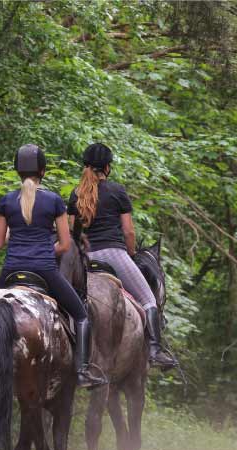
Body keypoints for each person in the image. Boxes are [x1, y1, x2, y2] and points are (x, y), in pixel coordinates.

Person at [0, 144, 105, 387]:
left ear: (17, 172)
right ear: (43, 171)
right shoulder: (54, 201)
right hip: (45, 270)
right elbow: (65, 245)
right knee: (82, 316)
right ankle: (83, 371)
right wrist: (44, 250)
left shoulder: (6, 202)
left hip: (11, 269)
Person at [67, 143, 176, 368]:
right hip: (113, 253)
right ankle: (155, 352)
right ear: (107, 167)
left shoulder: (76, 194)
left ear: (86, 166)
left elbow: (71, 233)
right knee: (148, 299)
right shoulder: (117, 191)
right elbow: (128, 231)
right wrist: (131, 252)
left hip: (85, 259)